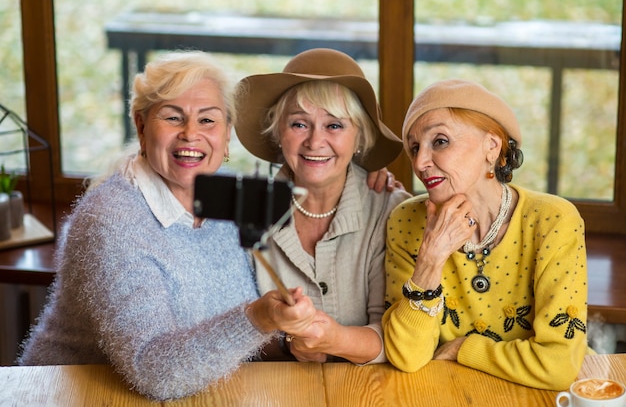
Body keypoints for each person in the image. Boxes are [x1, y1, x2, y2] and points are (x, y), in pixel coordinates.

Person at [17, 51, 318, 401]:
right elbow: (153, 372)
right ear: (142, 126)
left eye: (208, 120)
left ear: (227, 134)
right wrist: (259, 319)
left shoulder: (226, 194)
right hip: (76, 397)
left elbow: (223, 334)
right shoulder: (111, 222)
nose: (191, 134)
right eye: (173, 118)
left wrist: (287, 340)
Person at [382, 79, 589, 390]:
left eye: (439, 141)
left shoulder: (553, 221)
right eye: (414, 148)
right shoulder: (406, 221)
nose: (420, 163)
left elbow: (558, 365)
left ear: (492, 147)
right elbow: (408, 356)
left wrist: (463, 349)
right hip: (446, 393)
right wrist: (431, 258)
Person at [234, 48, 411, 365]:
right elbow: (231, 331)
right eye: (299, 124)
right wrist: (289, 344)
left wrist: (333, 340)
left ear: (360, 137)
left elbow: (403, 336)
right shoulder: (245, 209)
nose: (315, 143)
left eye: (334, 126)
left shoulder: (391, 211)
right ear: (278, 134)